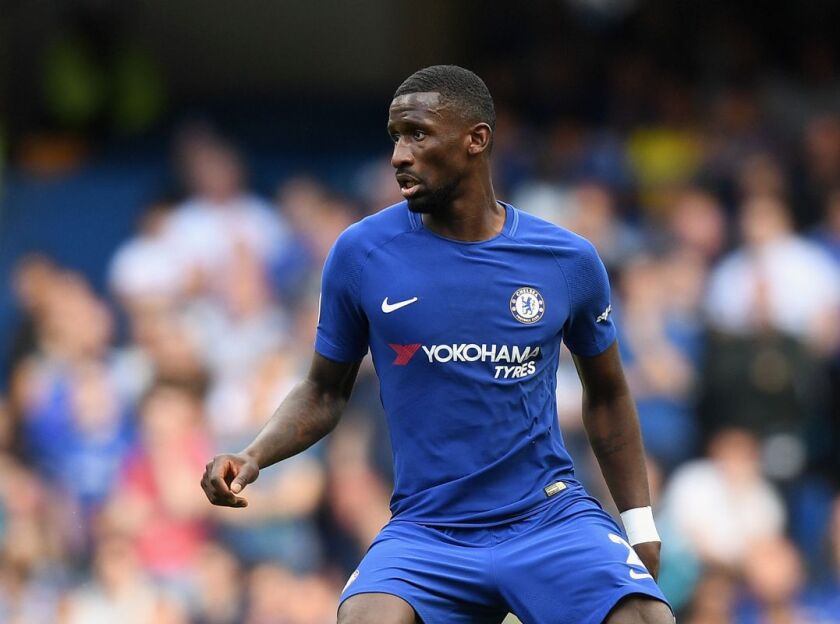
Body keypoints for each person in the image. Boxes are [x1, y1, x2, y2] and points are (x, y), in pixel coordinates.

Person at [201, 65, 672, 624]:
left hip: (548, 518)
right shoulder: (361, 254)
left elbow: (609, 395)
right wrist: (253, 455)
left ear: (476, 140)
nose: (399, 155)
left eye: (417, 134)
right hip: (428, 530)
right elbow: (324, 391)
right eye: (395, 136)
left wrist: (639, 523)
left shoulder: (566, 260)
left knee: (644, 617)